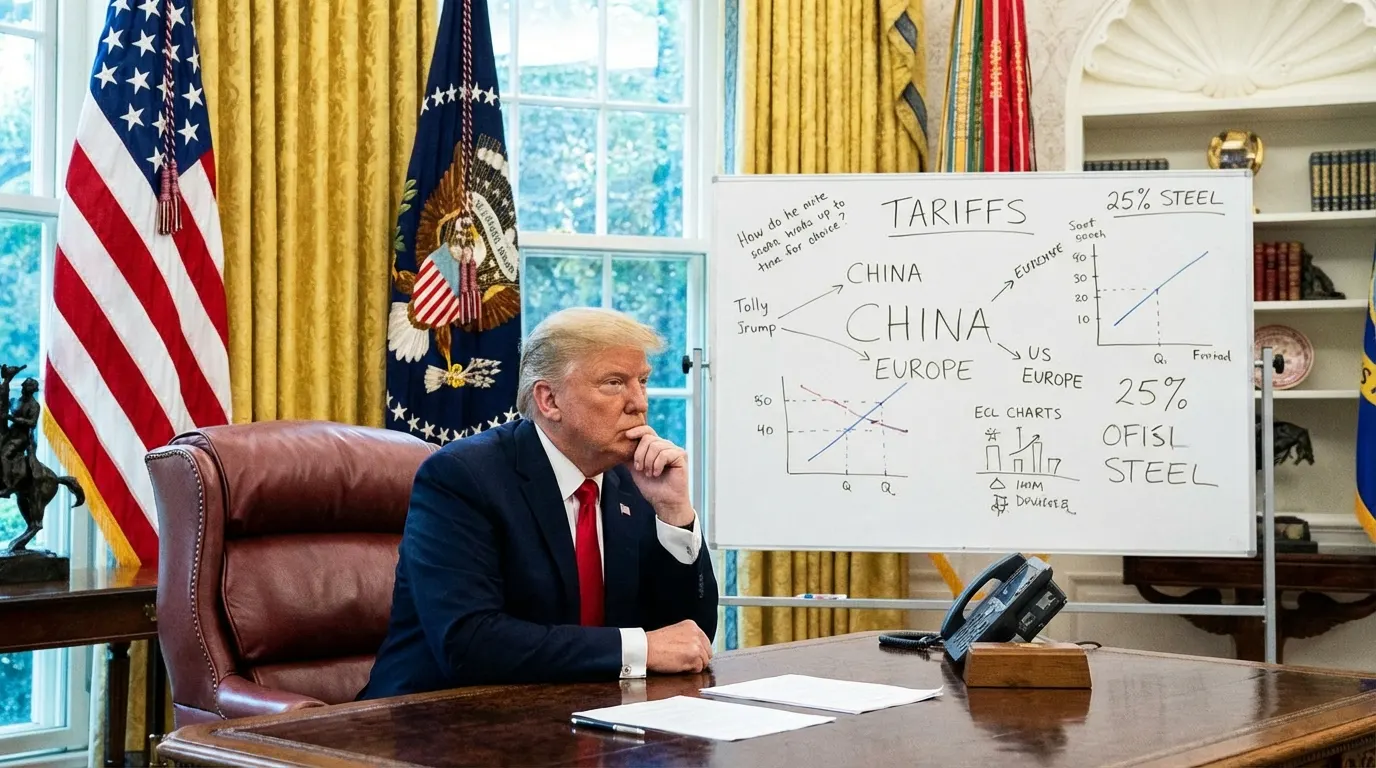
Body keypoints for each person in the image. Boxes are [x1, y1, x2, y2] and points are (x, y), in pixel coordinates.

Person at [360, 307, 718, 698]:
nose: (639, 402)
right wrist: (638, 648)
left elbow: (689, 639)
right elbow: (470, 642)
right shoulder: (462, 478)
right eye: (614, 383)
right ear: (549, 400)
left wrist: (675, 514)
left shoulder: (633, 481)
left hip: (575, 710)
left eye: (643, 381)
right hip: (431, 716)